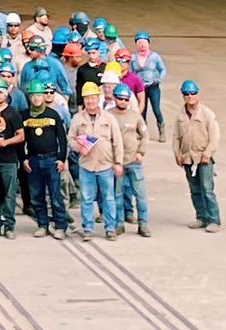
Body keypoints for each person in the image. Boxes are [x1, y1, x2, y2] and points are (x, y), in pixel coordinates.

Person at [70, 81, 124, 242]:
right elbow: (70, 139)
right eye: (87, 98)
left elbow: (117, 142)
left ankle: (110, 228)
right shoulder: (77, 118)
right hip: (87, 165)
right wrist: (79, 148)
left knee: (108, 198)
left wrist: (118, 162)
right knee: (86, 198)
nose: (90, 101)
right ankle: (87, 228)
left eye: (93, 98)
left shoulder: (109, 118)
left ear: (98, 98)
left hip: (106, 165)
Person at [20, 81, 70, 239]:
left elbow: (62, 139)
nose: (36, 99)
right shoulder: (25, 115)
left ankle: (60, 225)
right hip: (34, 161)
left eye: (39, 95)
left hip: (51, 160)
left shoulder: (53, 114)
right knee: (37, 195)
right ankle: (43, 224)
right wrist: (24, 159)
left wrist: (61, 159)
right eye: (34, 95)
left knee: (55, 195)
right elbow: (22, 141)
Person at [173, 79, 221, 232]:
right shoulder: (181, 115)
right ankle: (201, 217)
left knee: (207, 189)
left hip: (203, 159)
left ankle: (214, 220)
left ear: (198, 94)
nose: (190, 96)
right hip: (188, 158)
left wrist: (208, 153)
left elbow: (215, 136)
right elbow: (176, 137)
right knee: (194, 189)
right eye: (186, 94)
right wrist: (177, 154)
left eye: (193, 93)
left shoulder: (207, 114)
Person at [110, 83, 151, 238]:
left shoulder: (135, 116)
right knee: (117, 195)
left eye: (126, 99)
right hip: (117, 163)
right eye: (120, 98)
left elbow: (145, 136)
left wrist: (141, 152)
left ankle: (143, 224)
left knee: (140, 195)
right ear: (115, 98)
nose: (123, 102)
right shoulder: (108, 115)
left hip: (134, 161)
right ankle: (119, 224)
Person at [0, 81, 26, 238]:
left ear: (6, 94)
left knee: (10, 194)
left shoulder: (13, 112)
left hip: (9, 159)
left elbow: (21, 135)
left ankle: (9, 225)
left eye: (0, 92)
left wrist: (6, 142)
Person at [131, 34, 167, 134]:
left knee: (156, 109)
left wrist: (159, 79)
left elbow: (163, 69)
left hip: (153, 86)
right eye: (140, 43)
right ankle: (143, 131)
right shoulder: (133, 58)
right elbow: (132, 72)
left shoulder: (154, 57)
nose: (142, 45)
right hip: (140, 88)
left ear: (148, 44)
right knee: (142, 110)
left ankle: (161, 129)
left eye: (145, 43)